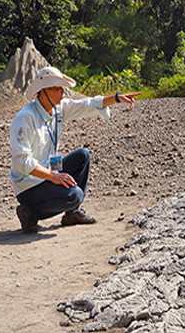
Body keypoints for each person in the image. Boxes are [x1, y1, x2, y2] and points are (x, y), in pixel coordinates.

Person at [10, 66, 138, 232]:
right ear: (43, 91)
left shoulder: (57, 109)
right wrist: (52, 176)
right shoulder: (25, 118)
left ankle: (72, 214)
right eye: (57, 88)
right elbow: (22, 161)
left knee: (82, 156)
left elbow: (86, 105)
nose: (62, 93)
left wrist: (115, 99)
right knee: (75, 195)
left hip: (48, 172)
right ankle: (29, 212)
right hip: (29, 185)